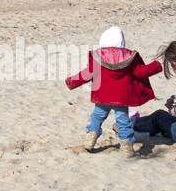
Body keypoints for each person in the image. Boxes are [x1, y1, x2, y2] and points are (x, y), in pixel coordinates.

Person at [65, 26, 163, 157]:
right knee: (123, 121)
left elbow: (88, 73)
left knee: (97, 117)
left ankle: (90, 137)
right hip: (121, 98)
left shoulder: (98, 56)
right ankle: (126, 147)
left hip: (102, 96)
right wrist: (156, 66)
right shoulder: (129, 56)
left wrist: (72, 81)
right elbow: (141, 72)